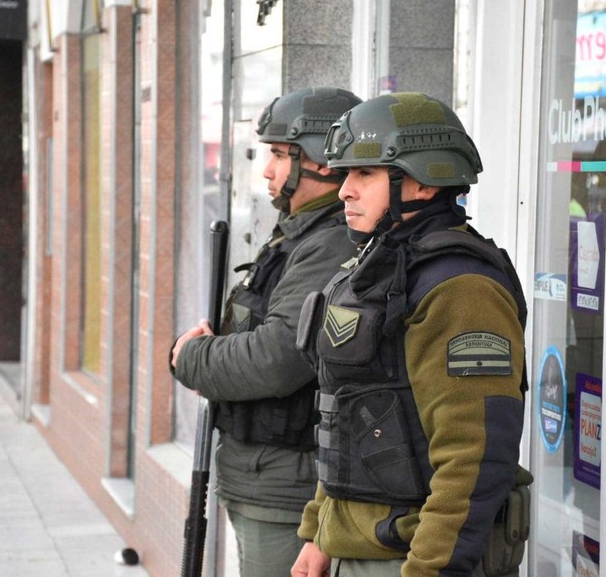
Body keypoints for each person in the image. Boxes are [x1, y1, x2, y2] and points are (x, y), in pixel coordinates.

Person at [292, 92, 528, 577]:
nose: (344, 191)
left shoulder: (461, 289)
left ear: (419, 181)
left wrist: (429, 571)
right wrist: (321, 533)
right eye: (346, 174)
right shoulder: (377, 270)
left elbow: (473, 459)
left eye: (365, 173)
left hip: (413, 558)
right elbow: (351, 411)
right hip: (356, 550)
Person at [170, 87, 362, 577]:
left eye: (280, 154)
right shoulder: (300, 234)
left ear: (321, 158)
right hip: (266, 478)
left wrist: (189, 356)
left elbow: (275, 358)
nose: (268, 170)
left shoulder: (331, 240)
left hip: (287, 489)